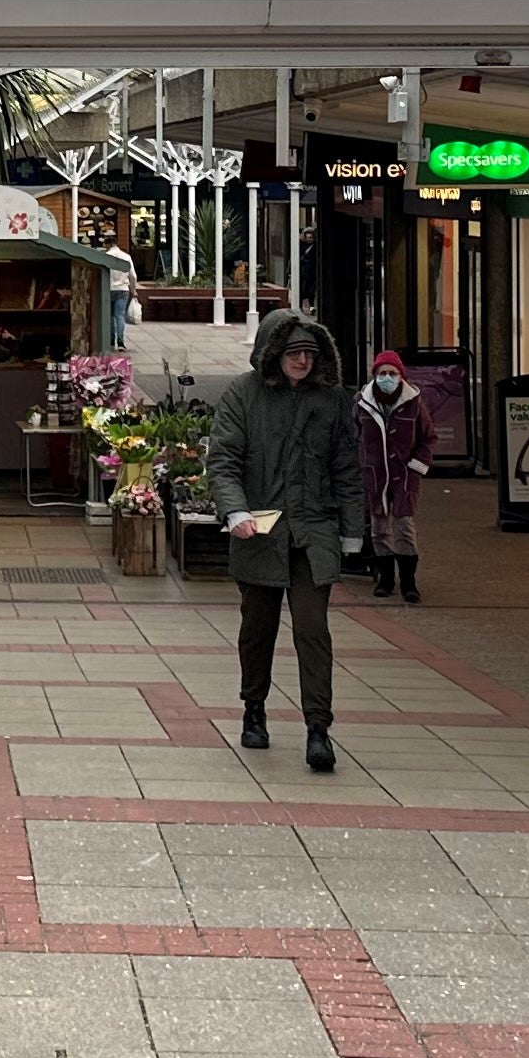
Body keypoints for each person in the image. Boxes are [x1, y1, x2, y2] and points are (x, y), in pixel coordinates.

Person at [205, 306, 364, 771]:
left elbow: (347, 469)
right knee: (258, 629)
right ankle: (253, 709)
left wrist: (352, 530)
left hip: (313, 533)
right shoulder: (243, 395)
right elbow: (224, 459)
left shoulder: (332, 402)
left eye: (310, 354)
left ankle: (319, 728)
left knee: (313, 630)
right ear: (274, 353)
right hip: (259, 531)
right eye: (294, 353)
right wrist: (233, 509)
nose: (302, 362)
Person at [355, 349, 428, 605]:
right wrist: (359, 465)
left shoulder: (414, 403)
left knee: (404, 528)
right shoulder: (362, 403)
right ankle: (386, 579)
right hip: (375, 476)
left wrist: (417, 466)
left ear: (401, 376)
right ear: (375, 375)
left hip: (404, 477)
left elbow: (427, 438)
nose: (387, 377)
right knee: (379, 530)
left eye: (392, 373)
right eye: (382, 373)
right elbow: (354, 435)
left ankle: (409, 582)